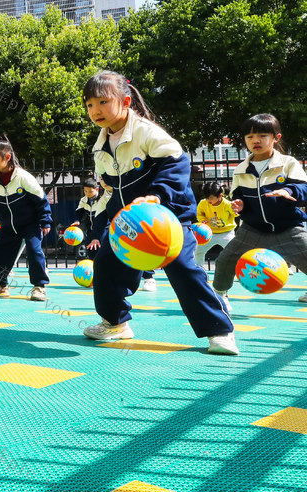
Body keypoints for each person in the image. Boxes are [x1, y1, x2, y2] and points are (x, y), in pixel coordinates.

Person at [81, 70, 236, 355]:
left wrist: (157, 196)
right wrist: (105, 221)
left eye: (103, 102)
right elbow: (112, 191)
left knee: (183, 269)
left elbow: (177, 164)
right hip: (130, 221)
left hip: (168, 217)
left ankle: (219, 330)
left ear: (125, 101)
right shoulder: (100, 145)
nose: (96, 110)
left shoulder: (146, 131)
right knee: (106, 265)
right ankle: (115, 323)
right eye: (90, 104)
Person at [211, 114, 307, 310]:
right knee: (225, 260)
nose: (255, 141)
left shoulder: (288, 163)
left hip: (287, 227)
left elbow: (304, 190)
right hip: (253, 229)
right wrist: (240, 205)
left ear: (276, 138)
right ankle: (220, 295)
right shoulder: (240, 169)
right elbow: (238, 197)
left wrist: (288, 190)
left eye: (262, 135)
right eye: (249, 137)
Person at [0, 138, 52, 302]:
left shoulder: (23, 177)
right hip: (8, 226)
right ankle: (0, 285)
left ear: (7, 157)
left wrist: (45, 221)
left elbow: (40, 200)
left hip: (30, 224)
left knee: (34, 250)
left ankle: (39, 287)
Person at [195, 181, 237, 272]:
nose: (208, 200)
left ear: (220, 196)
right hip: (209, 233)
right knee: (199, 251)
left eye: (211, 198)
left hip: (226, 233)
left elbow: (235, 214)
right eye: (206, 198)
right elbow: (199, 214)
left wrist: (236, 209)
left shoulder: (227, 204)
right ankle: (199, 271)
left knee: (234, 253)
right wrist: (202, 220)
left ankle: (237, 271)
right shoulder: (203, 203)